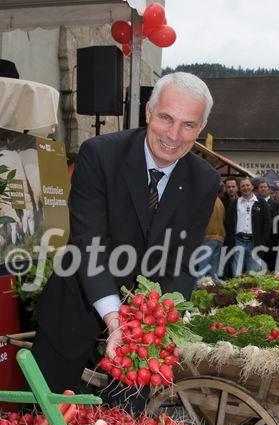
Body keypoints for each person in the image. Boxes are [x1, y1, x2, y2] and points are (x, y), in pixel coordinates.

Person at [32, 72, 220, 398]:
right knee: (40, 417)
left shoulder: (204, 180)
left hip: (143, 329)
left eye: (188, 125)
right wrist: (114, 317)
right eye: (166, 118)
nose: (174, 135)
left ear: (200, 128)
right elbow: (89, 244)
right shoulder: (99, 155)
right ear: (148, 112)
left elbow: (181, 262)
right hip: (75, 304)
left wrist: (158, 324)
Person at [224, 177, 271, 277]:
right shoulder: (234, 204)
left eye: (247, 185)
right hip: (238, 242)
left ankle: (250, 293)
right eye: (243, 186)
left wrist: (262, 243)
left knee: (253, 274)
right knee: (236, 273)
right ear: (239, 189)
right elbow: (228, 225)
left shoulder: (262, 203)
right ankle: (236, 291)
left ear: (252, 186)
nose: (245, 188)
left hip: (254, 243)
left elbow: (267, 224)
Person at [196, 196, 225, 284]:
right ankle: (216, 291)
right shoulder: (219, 201)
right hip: (219, 236)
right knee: (213, 272)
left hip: (207, 236)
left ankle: (195, 292)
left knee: (201, 270)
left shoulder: (205, 199)